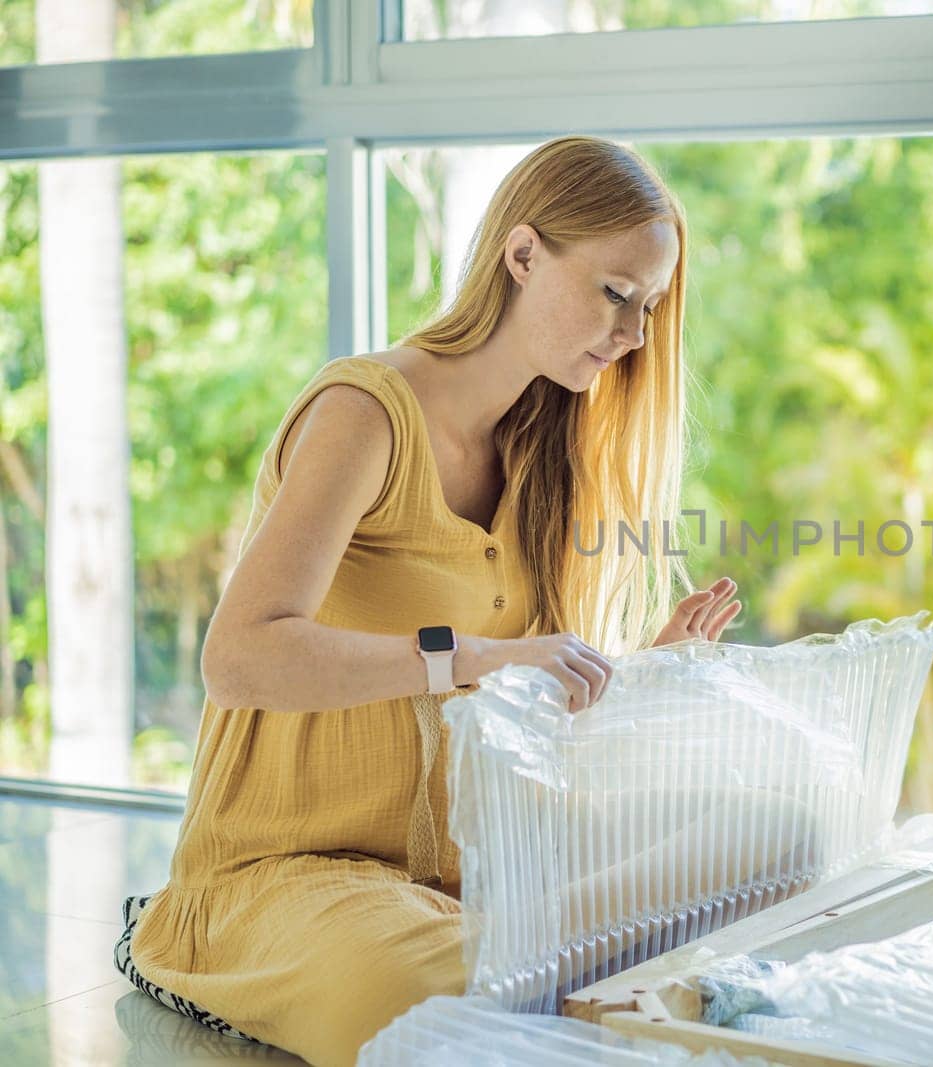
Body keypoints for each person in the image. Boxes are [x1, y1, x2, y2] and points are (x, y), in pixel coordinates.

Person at [125, 136, 741, 1067]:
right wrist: (472, 657)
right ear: (523, 255)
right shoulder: (364, 413)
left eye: (649, 306)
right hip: (288, 874)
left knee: (764, 845)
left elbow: (534, 715)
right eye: (617, 294)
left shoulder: (542, 450)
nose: (635, 335)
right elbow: (240, 656)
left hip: (462, 873)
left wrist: (644, 664)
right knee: (430, 997)